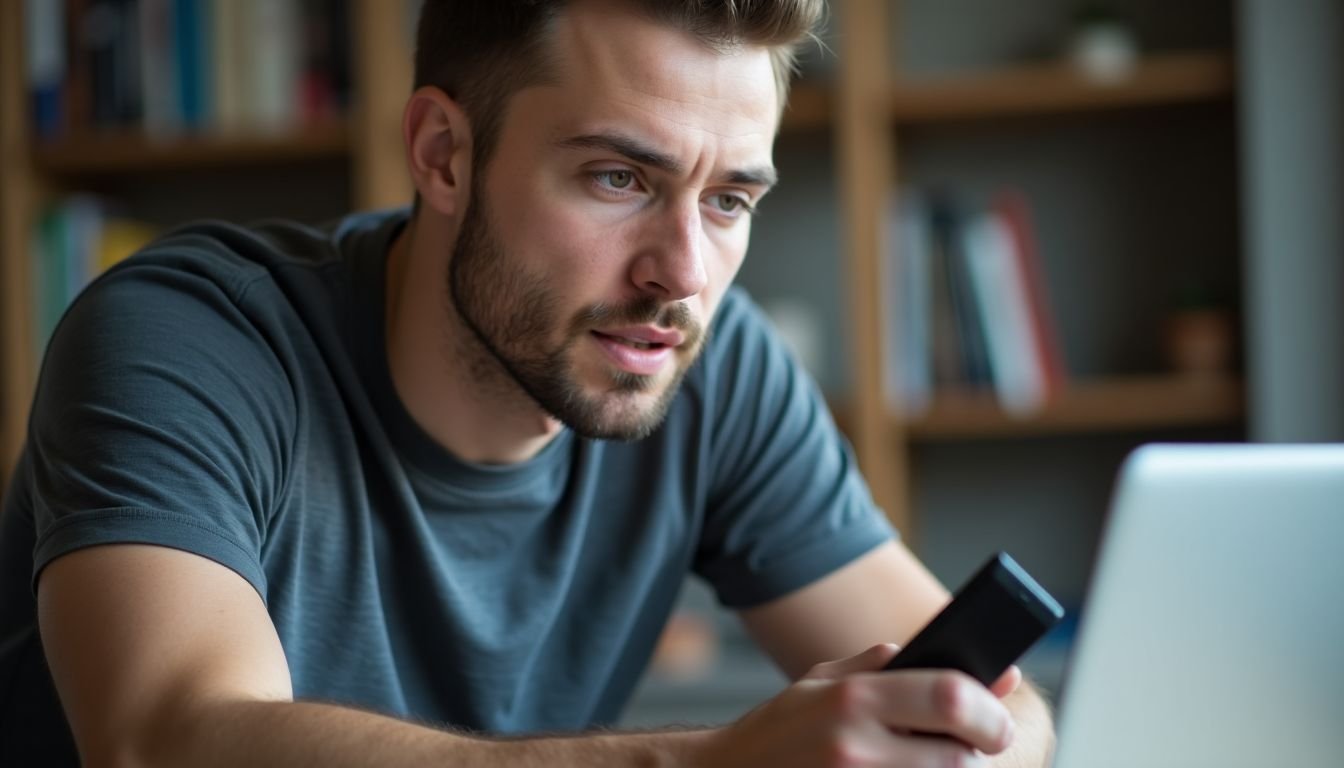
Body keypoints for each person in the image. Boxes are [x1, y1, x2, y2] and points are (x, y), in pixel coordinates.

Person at [0, 0, 1056, 765]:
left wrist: (963, 740)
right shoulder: (189, 336)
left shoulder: (713, 362)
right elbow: (168, 741)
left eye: (730, 199)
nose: (683, 274)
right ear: (443, 154)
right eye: (619, 179)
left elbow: (1012, 713)